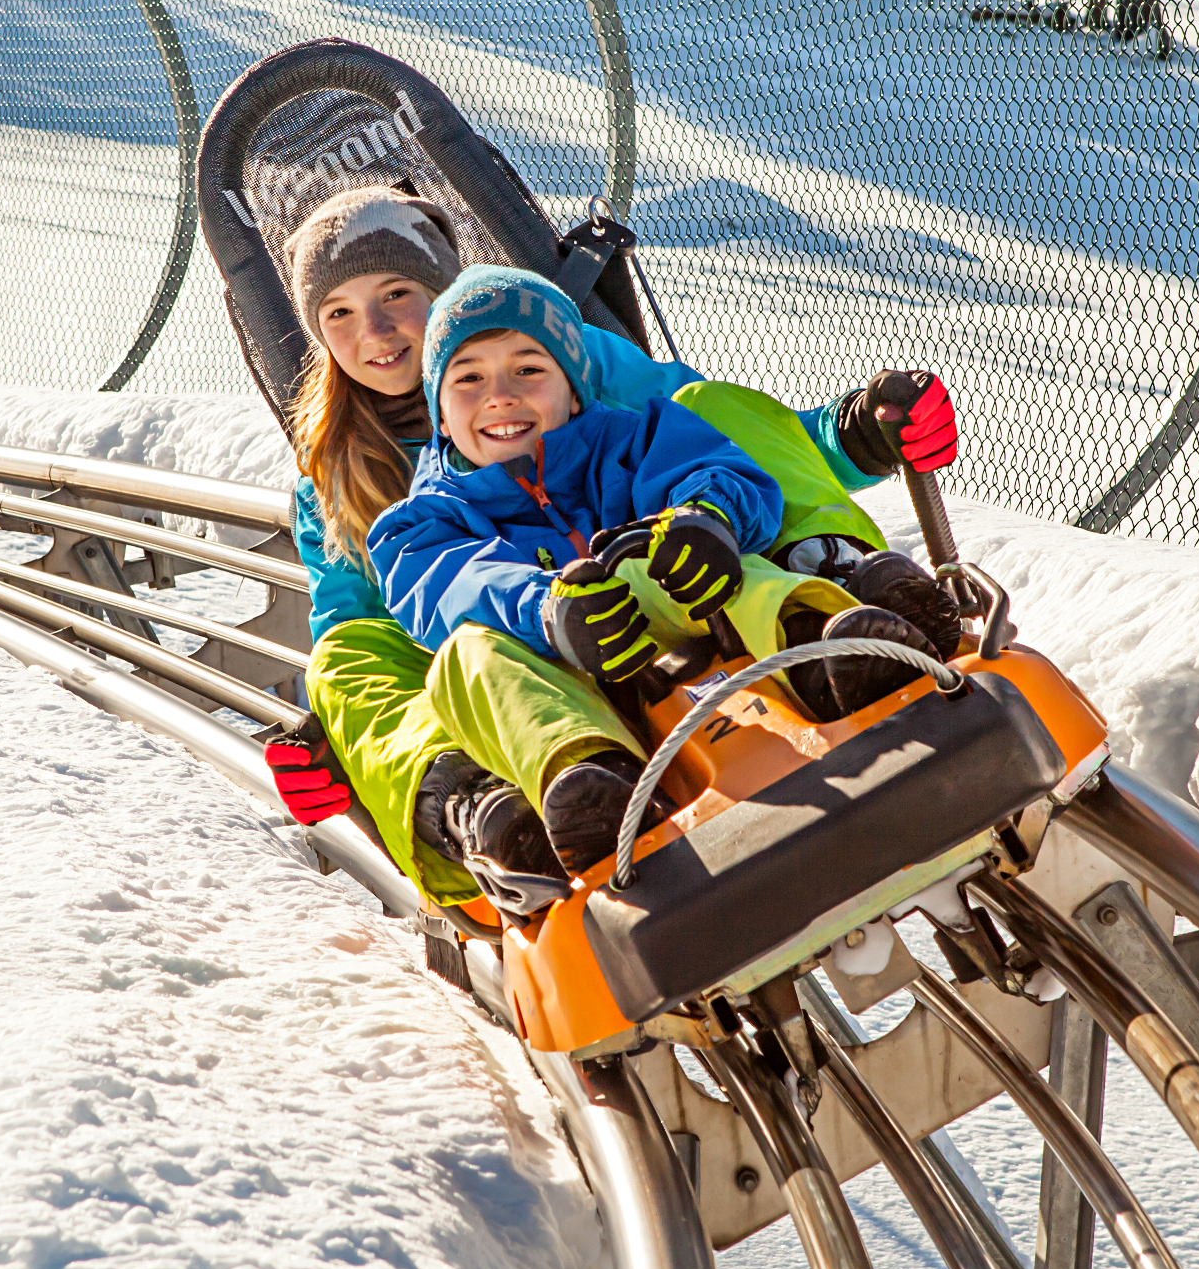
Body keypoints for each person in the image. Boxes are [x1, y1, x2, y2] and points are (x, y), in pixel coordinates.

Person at [257, 185, 961, 903]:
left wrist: (848, 436)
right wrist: (338, 741)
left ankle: (840, 583)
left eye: (395, 293)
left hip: (667, 587)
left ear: (445, 293)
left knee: (702, 410)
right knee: (343, 662)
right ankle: (479, 810)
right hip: (519, 650)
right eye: (337, 313)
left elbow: (708, 439)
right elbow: (369, 623)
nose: (372, 331)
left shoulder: (562, 352)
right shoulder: (335, 482)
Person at [365, 266, 936, 877]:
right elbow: (451, 590)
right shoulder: (419, 523)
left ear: (573, 388)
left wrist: (707, 520)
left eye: (528, 369)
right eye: (469, 379)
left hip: (695, 631)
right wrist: (547, 611)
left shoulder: (635, 435)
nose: (500, 395)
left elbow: (719, 466)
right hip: (570, 676)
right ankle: (586, 780)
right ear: (440, 416)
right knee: (466, 658)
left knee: (713, 560)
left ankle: (826, 644)